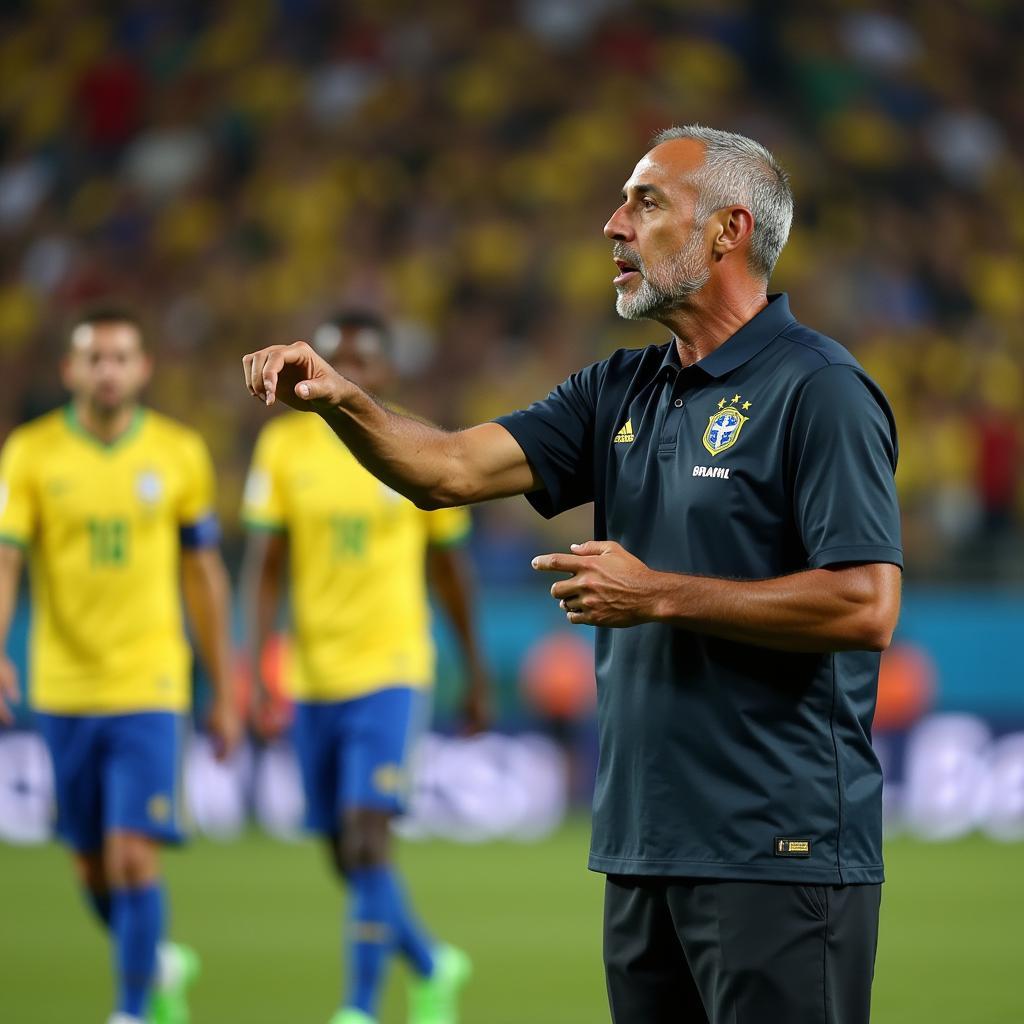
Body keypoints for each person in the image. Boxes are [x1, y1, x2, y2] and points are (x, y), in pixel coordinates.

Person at [241, 125, 903, 1024]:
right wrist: (346, 400)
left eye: (645, 202)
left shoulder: (819, 389)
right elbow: (447, 472)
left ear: (727, 231)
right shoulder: (617, 392)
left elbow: (866, 604)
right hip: (641, 846)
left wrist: (659, 592)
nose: (613, 225)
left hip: (776, 851)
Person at [240, 310, 490, 1024]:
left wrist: (473, 673)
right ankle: (432, 963)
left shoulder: (416, 445)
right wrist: (257, 666)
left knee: (367, 835)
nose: (345, 371)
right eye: (335, 357)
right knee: (342, 855)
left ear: (384, 375)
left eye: (362, 362)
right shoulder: (284, 449)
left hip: (392, 668)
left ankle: (358, 1007)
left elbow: (451, 573)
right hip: (313, 676)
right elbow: (265, 569)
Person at [0, 308, 242, 1024]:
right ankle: (157, 960)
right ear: (71, 371)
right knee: (90, 864)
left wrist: (224, 685)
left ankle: (132, 1009)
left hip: (150, 682)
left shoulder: (177, 454)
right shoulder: (30, 455)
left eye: (121, 357)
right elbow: (7, 557)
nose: (107, 369)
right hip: (64, 684)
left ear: (143, 370)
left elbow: (204, 577)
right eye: (94, 358)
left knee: (134, 853)